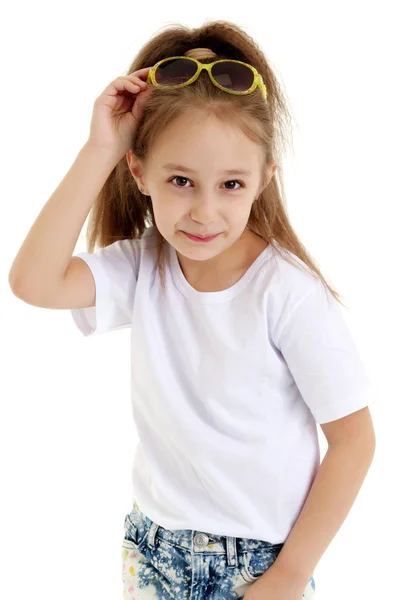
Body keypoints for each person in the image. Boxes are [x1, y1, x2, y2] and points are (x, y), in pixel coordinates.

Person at [9, 19, 376, 600]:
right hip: (154, 547)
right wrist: (101, 145)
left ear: (263, 181)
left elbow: (355, 440)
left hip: (259, 560)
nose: (204, 212)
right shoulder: (142, 267)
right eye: (181, 180)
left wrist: (288, 574)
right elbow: (33, 281)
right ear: (140, 172)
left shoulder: (287, 293)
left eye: (231, 184)